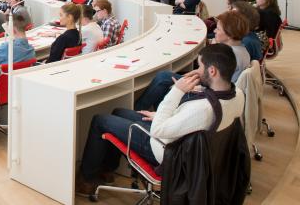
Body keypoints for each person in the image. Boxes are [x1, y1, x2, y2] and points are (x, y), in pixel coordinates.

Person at [75, 44, 245, 195]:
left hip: (164, 149)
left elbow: (158, 130)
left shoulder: (203, 109)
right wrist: (162, 116)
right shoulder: (237, 94)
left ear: (212, 71)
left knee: (100, 120)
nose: (196, 71)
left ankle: (86, 180)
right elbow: (188, 121)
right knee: (118, 111)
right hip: (180, 141)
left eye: (199, 66)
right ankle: (107, 169)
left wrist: (176, 91)